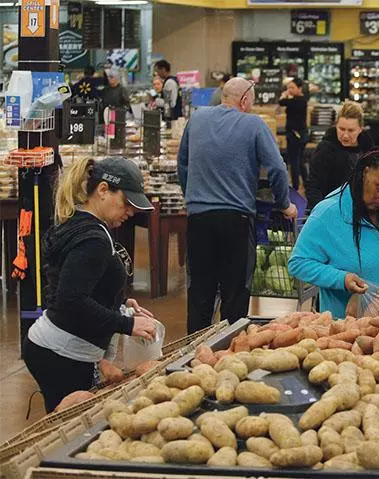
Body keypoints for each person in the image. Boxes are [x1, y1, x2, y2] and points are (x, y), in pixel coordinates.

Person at [22, 156, 159, 412]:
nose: (130, 212)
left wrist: (117, 301)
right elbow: (71, 299)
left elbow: (80, 283)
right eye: (126, 202)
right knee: (66, 428)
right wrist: (127, 324)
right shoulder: (93, 239)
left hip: (61, 347)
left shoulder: (83, 223)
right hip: (61, 353)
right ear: (103, 190)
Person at [178, 78, 297, 334]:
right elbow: (276, 167)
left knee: (200, 292)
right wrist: (285, 204)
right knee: (234, 294)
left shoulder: (197, 119)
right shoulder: (253, 124)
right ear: (244, 100)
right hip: (236, 220)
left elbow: (183, 164)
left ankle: (193, 356)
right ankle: (229, 353)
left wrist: (193, 196)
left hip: (198, 219)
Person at [288, 148, 379, 318]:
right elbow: (299, 263)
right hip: (344, 328)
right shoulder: (329, 212)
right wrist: (342, 279)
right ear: (365, 173)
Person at [306, 101, 374, 212]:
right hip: (332, 209)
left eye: (351, 130)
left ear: (360, 129)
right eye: (341, 129)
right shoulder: (325, 149)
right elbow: (314, 186)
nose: (345, 135)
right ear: (335, 126)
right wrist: (322, 212)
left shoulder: (368, 148)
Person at [279, 78, 308, 190]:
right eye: (288, 88)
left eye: (292, 87)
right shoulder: (302, 100)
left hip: (295, 134)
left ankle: (295, 187)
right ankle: (306, 184)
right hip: (302, 133)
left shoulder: (296, 101)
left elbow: (281, 102)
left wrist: (284, 95)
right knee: (300, 160)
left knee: (294, 161)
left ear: (299, 88)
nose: (289, 90)